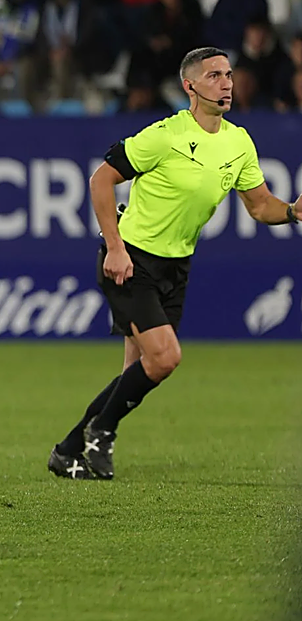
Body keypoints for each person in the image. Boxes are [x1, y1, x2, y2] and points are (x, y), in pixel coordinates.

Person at [48, 48, 302, 481]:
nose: (226, 83)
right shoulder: (164, 135)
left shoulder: (238, 142)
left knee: (137, 371)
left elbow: (260, 206)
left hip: (175, 266)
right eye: (214, 76)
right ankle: (102, 431)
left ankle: (69, 449)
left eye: (229, 74)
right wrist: (114, 247)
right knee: (165, 358)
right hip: (131, 260)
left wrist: (294, 212)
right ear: (190, 86)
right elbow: (101, 180)